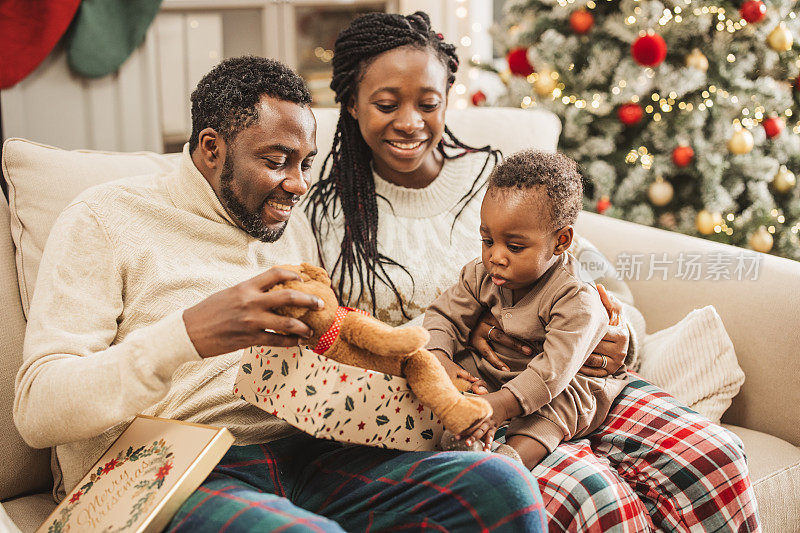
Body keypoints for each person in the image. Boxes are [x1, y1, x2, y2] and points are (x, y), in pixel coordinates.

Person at [14, 56, 548, 532]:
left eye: (304, 163)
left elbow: (339, 341)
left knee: (502, 485)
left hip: (309, 448)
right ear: (210, 148)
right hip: (171, 463)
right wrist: (187, 335)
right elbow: (38, 410)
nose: (297, 184)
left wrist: (427, 375)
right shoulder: (105, 218)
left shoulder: (288, 227)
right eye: (276, 160)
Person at [305, 11, 759, 530]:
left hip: (586, 380)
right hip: (478, 400)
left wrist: (618, 336)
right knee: (593, 498)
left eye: (428, 104)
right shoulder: (327, 214)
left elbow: (600, 284)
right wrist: (439, 363)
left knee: (715, 457)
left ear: (447, 97)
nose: (410, 122)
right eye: (386, 105)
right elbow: (348, 338)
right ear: (350, 102)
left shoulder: (499, 181)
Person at [424, 150, 629, 469]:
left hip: (558, 384)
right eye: (488, 240)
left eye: (515, 247)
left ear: (561, 241)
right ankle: (464, 438)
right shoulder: (481, 274)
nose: (496, 256)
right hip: (501, 369)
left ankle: (510, 460)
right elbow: (443, 315)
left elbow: (552, 373)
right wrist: (439, 359)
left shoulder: (575, 298)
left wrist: (499, 406)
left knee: (556, 408)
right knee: (460, 365)